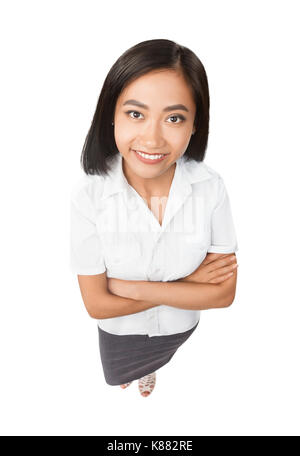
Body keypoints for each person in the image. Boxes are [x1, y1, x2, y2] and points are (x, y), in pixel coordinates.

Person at [70, 39, 239, 397]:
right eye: (136, 114)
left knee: (159, 359)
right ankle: (138, 372)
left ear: (195, 125)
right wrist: (189, 283)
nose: (152, 138)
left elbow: (223, 294)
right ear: (110, 115)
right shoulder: (91, 197)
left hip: (179, 326)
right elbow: (96, 304)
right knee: (117, 375)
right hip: (119, 332)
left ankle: (153, 368)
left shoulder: (211, 187)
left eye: (174, 118)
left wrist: (131, 288)